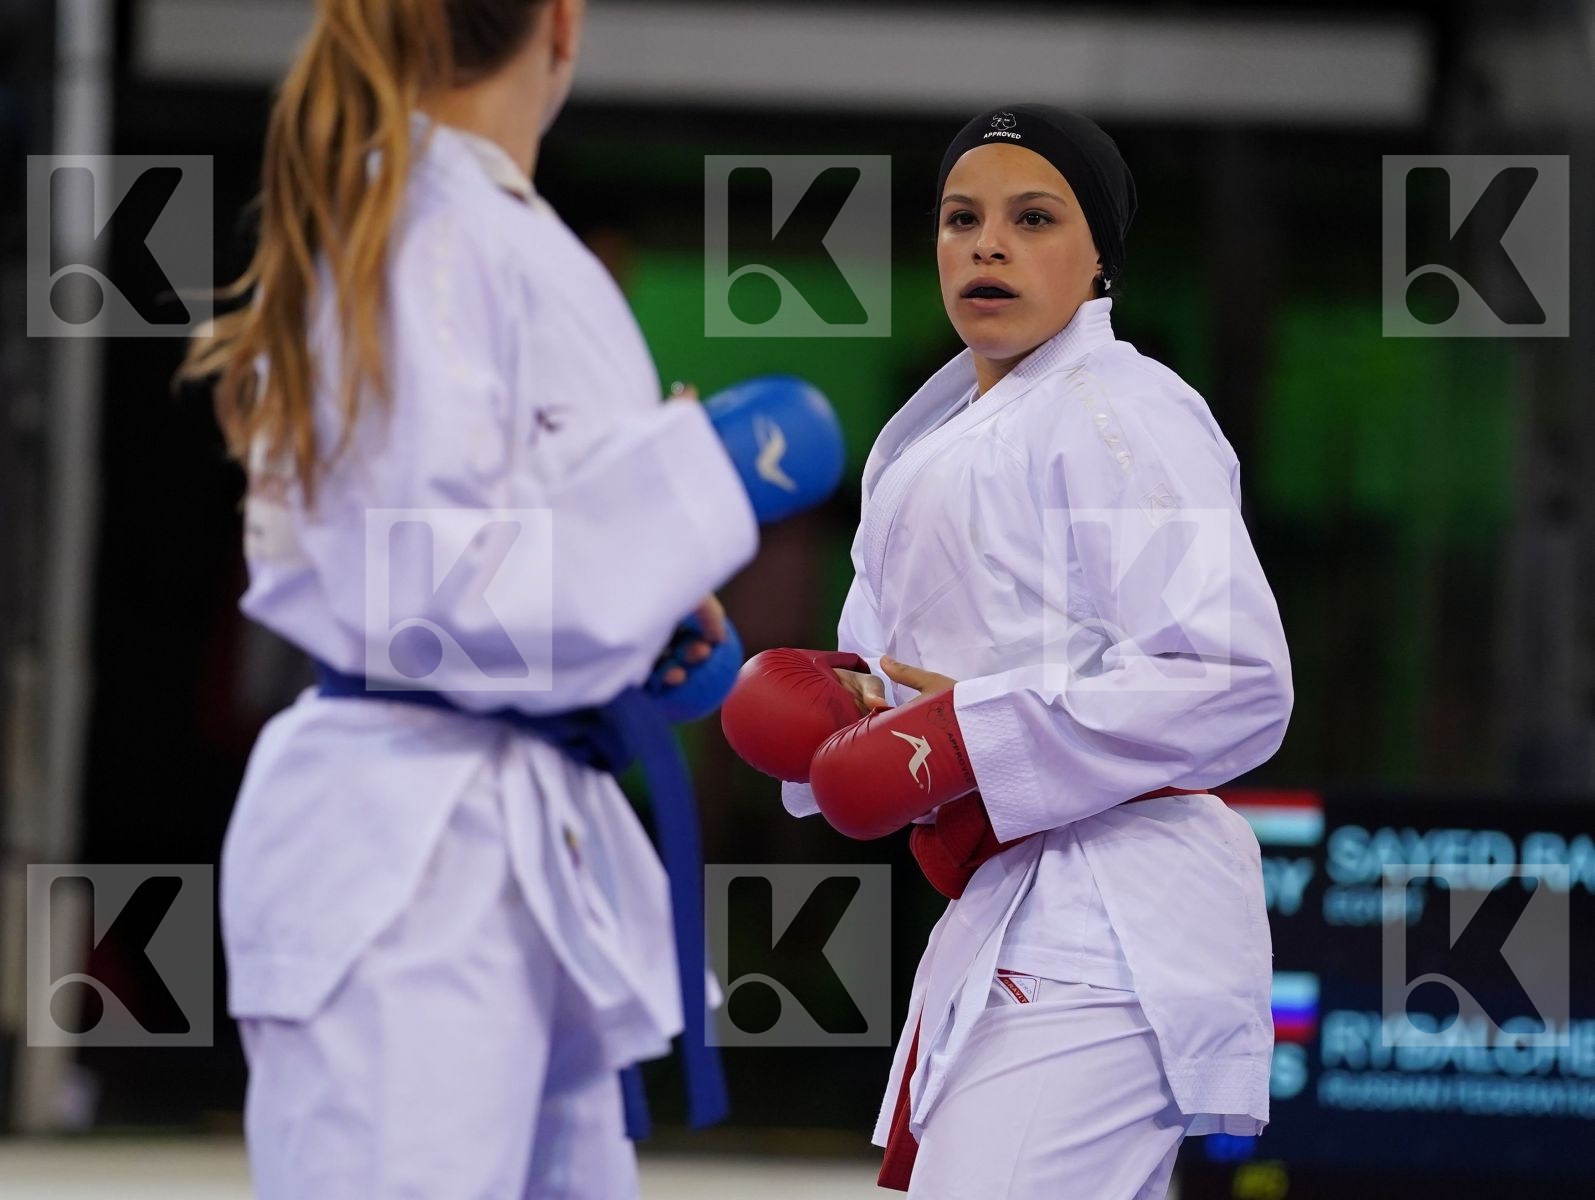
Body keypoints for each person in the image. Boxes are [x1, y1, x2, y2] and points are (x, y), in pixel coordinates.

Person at [178, 1, 840, 1195]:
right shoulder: (421, 230)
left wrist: (641, 623)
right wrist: (687, 495)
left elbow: (507, 546)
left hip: (527, 832)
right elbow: (423, 580)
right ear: (563, 25)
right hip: (408, 846)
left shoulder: (491, 231)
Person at [728, 104, 1293, 1197]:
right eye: (960, 217)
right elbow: (898, 697)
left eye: (1032, 218)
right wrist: (844, 702)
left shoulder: (1123, 409)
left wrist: (959, 730)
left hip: (1109, 919)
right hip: (1006, 914)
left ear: (1097, 262)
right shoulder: (923, 444)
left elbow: (1230, 677)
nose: (986, 243)